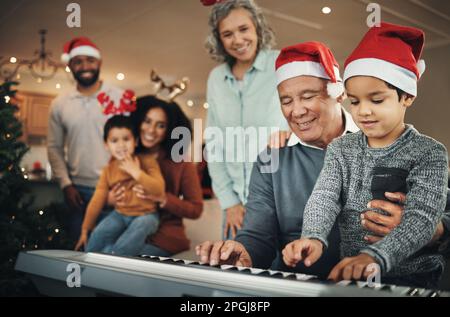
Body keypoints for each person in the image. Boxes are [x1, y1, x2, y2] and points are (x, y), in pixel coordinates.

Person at [196, 41, 450, 281]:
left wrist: (432, 230)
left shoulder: (420, 151)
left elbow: (441, 212)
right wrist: (242, 251)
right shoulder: (271, 158)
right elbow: (258, 234)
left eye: (307, 97)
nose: (296, 111)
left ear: (337, 94)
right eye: (286, 101)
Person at [282, 23, 448, 288]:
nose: (364, 112)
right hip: (354, 274)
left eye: (377, 100)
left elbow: (423, 218)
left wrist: (374, 256)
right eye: (356, 102)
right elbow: (324, 197)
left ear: (407, 96)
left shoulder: (429, 153)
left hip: (415, 277)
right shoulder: (340, 148)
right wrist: (312, 236)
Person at [203, 0, 288, 239]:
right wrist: (229, 202)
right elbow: (214, 144)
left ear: (258, 28)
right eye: (227, 34)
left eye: (243, 29)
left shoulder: (280, 63)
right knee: (232, 272)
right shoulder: (216, 78)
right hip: (236, 208)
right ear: (219, 40)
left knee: (283, 274)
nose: (237, 40)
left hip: (279, 202)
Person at [47, 37, 135, 242]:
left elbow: (133, 143)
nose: (84, 66)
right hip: (78, 192)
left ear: (99, 62)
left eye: (90, 60)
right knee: (80, 252)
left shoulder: (119, 97)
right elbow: (54, 147)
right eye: (77, 61)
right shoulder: (59, 104)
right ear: (69, 66)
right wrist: (66, 185)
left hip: (117, 188)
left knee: (114, 254)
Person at [108, 96, 204, 257]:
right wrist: (110, 198)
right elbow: (105, 191)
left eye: (160, 125)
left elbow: (196, 209)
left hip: (163, 236)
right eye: (147, 121)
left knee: (129, 264)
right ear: (137, 122)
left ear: (169, 130)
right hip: (125, 227)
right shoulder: (122, 155)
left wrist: (162, 198)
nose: (151, 130)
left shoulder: (182, 165)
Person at [74, 115, 165, 255]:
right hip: (120, 213)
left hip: (146, 215)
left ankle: (114, 260)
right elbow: (97, 199)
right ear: (106, 145)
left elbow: (159, 190)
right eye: (114, 140)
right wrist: (85, 230)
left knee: (125, 244)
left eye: (126, 139)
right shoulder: (109, 170)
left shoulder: (147, 161)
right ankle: (92, 270)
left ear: (135, 141)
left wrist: (136, 172)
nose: (121, 145)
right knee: (97, 238)